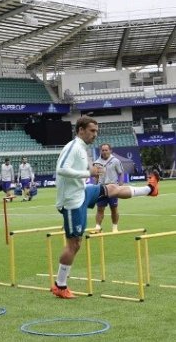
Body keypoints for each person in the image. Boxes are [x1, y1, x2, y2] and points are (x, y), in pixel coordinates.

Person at [52, 116, 159, 299]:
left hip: (82, 192)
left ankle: (150, 189)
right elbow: (61, 169)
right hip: (71, 201)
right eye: (92, 131)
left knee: (112, 188)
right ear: (80, 129)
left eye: (96, 131)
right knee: (75, 244)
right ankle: (60, 285)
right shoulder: (73, 147)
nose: (95, 135)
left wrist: (90, 176)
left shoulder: (83, 148)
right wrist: (89, 172)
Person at [93, 144, 125, 233]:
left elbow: (121, 173)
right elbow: (95, 177)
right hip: (101, 188)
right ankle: (97, 227)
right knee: (100, 209)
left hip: (113, 188)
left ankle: (115, 228)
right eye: (102, 150)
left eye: (106, 150)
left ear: (110, 150)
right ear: (100, 151)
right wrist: (94, 187)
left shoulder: (115, 161)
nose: (104, 152)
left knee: (114, 208)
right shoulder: (96, 162)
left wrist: (121, 185)